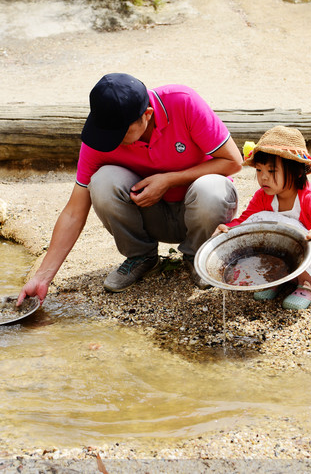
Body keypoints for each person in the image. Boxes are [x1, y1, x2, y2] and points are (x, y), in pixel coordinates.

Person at [18, 73, 242, 305]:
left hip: (203, 213)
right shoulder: (101, 136)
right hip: (152, 215)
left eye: (120, 135)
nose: (110, 142)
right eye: (106, 134)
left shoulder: (182, 102)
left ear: (147, 115)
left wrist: (167, 180)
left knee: (212, 187)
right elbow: (74, 211)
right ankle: (142, 257)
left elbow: (234, 161)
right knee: (102, 181)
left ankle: (198, 255)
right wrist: (42, 278)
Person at [214, 126, 311, 310]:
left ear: (298, 172)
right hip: (288, 255)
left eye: (272, 171)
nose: (263, 177)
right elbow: (246, 220)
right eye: (259, 170)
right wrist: (229, 227)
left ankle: (308, 286)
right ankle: (278, 276)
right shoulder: (263, 196)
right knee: (261, 225)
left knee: (286, 226)